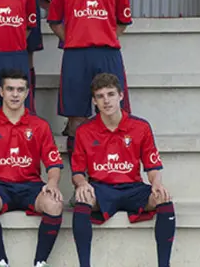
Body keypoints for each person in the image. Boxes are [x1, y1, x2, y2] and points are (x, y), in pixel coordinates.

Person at [71, 73, 174, 267]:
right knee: (82, 199)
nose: (106, 101)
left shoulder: (140, 127)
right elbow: (77, 171)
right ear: (94, 100)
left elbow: (152, 167)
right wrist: (82, 183)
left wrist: (157, 183)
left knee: (163, 197)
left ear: (121, 96)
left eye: (110, 94)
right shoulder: (84, 131)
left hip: (132, 188)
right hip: (101, 189)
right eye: (100, 96)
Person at [48, 0, 132, 160]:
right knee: (76, 117)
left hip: (107, 53)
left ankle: (110, 174)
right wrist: (74, 40)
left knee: (113, 112)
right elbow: (54, 21)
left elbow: (123, 22)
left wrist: (103, 36)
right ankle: (79, 180)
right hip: (76, 54)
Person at [0, 69, 64, 267]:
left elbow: (53, 162)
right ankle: (1, 261)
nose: (15, 94)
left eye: (20, 90)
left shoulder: (40, 126)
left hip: (31, 186)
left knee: (54, 204)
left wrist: (53, 183)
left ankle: (40, 262)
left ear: (27, 93)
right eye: (10, 89)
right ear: (1, 91)